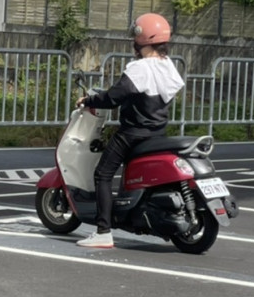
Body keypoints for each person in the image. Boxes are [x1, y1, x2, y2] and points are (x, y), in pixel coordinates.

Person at [76, 13, 184, 249]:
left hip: (133, 133)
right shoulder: (168, 66)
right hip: (158, 132)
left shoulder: (140, 68)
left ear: (140, 38)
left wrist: (89, 100)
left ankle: (103, 231)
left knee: (103, 173)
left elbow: (114, 97)